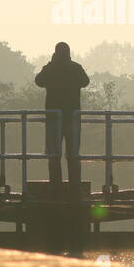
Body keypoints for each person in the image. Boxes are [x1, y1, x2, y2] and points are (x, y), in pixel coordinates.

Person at [34, 42, 89, 186]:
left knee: (54, 155)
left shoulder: (50, 69)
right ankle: (75, 187)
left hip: (54, 118)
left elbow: (38, 81)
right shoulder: (76, 68)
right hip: (72, 117)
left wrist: (51, 64)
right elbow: (85, 81)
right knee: (73, 155)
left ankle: (55, 186)